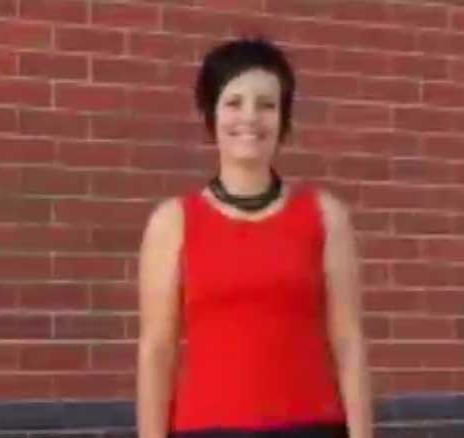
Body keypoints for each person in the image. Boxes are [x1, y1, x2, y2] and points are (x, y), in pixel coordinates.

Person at [136, 37, 373, 438]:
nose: (250, 117)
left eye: (267, 105)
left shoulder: (325, 215)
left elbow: (348, 342)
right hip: (207, 428)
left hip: (310, 425)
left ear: (283, 118)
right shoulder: (172, 222)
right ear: (211, 114)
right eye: (234, 102)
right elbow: (156, 351)